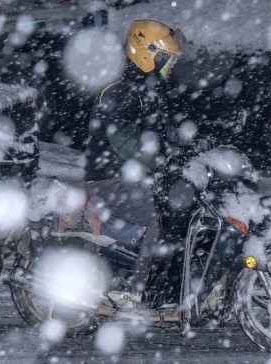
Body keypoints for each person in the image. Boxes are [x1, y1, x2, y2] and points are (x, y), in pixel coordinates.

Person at [82, 19, 192, 307]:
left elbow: (161, 133)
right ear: (146, 53)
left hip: (135, 175)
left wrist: (191, 147)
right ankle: (136, 290)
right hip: (109, 179)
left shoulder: (148, 87)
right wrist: (162, 159)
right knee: (161, 220)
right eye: (167, 59)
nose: (171, 66)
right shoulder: (120, 89)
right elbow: (124, 141)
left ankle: (176, 282)